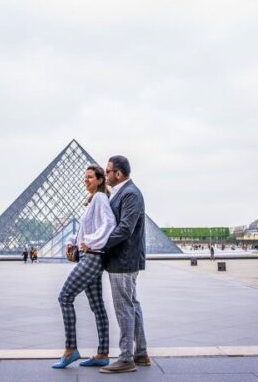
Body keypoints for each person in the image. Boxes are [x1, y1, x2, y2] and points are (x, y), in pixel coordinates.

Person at [52, 165, 116, 369]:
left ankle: (71, 350)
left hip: (92, 258)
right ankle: (102, 354)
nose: (85, 180)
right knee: (97, 307)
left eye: (89, 177)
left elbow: (109, 223)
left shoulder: (99, 198)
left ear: (99, 180)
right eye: (85, 177)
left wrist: (90, 241)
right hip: (91, 257)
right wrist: (73, 241)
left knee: (65, 297)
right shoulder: (93, 200)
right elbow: (87, 228)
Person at [98, 155, 150, 374]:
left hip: (124, 260)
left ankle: (126, 357)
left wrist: (100, 244)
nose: (105, 175)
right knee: (132, 305)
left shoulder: (130, 194)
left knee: (124, 309)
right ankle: (141, 353)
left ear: (118, 174)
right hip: (124, 259)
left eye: (108, 171)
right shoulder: (124, 193)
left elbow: (125, 229)